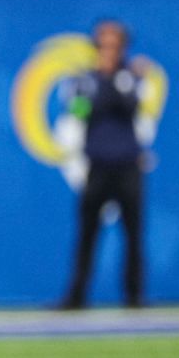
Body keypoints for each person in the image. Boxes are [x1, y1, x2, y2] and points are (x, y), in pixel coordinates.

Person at [59, 19, 147, 310]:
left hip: (126, 165)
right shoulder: (86, 80)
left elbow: (132, 107)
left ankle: (134, 297)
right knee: (87, 234)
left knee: (133, 234)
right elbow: (78, 111)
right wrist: (93, 89)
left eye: (114, 45)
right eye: (104, 45)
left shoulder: (130, 77)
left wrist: (113, 80)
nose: (108, 50)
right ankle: (76, 296)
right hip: (97, 165)